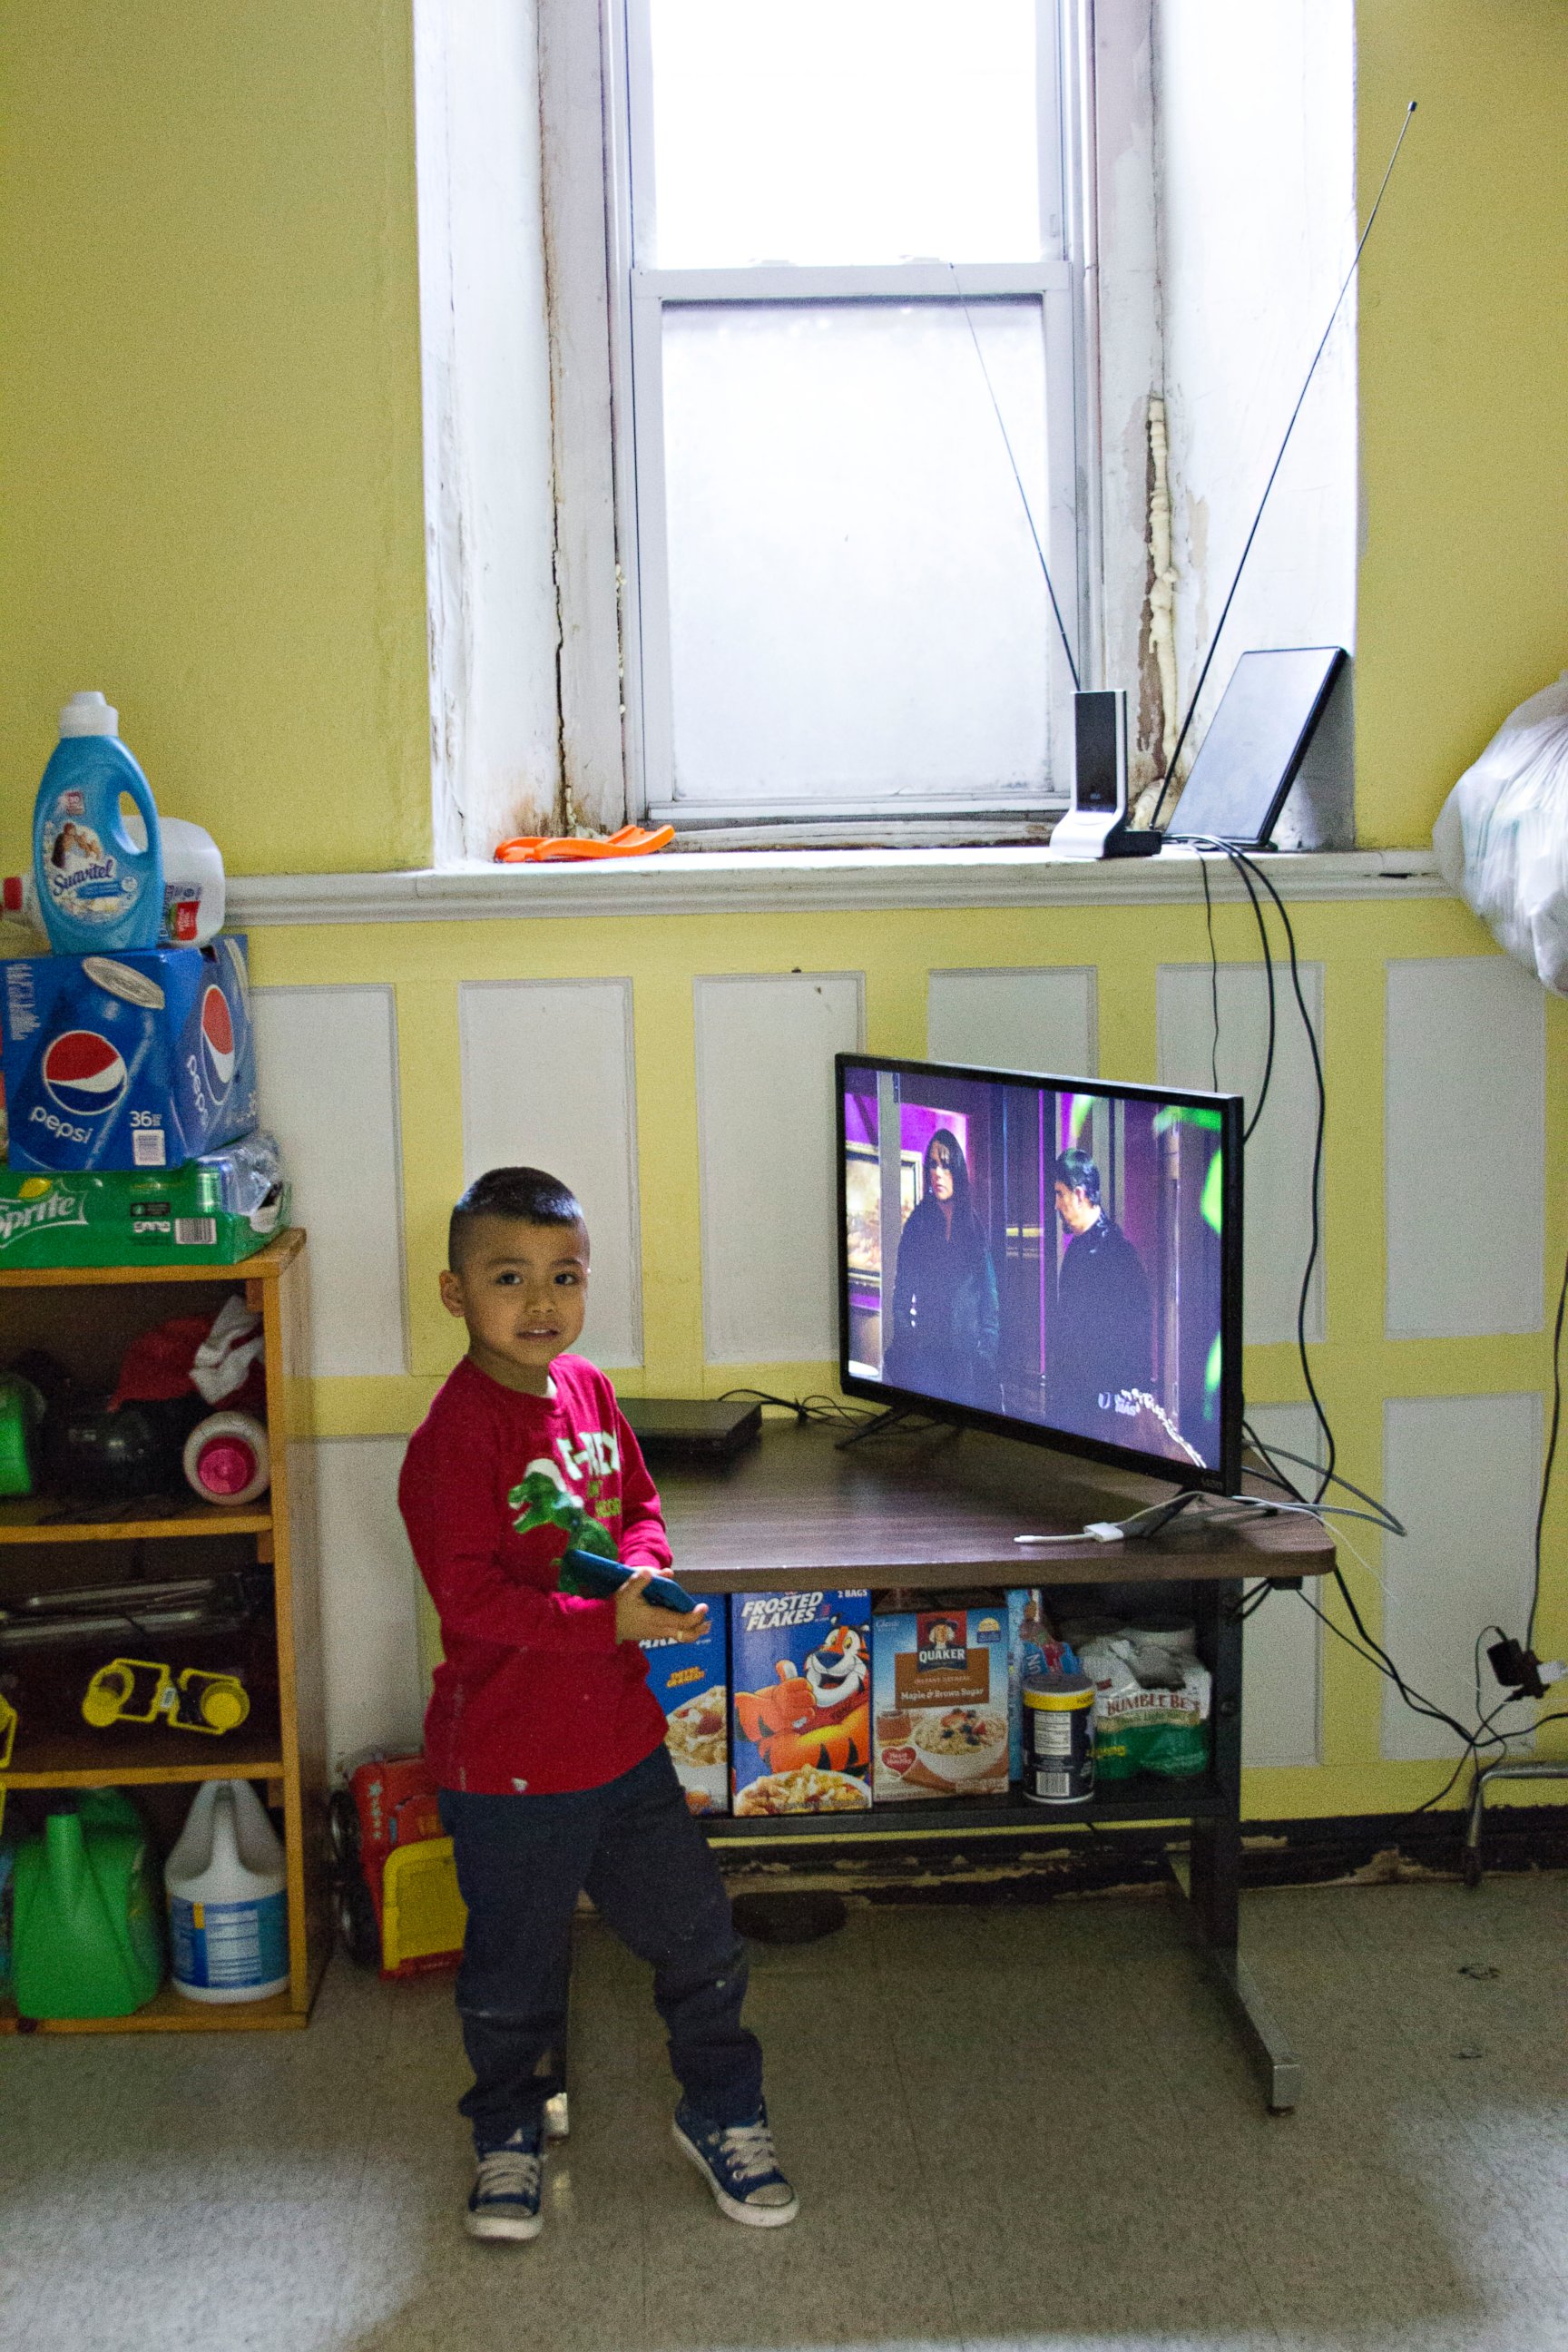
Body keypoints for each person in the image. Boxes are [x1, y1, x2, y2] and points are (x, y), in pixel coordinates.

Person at [398, 1165, 797, 2244]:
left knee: (700, 1943)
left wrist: (646, 1569)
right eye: (509, 1277)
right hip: (508, 1768)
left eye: (564, 1277)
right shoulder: (454, 1438)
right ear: (454, 1293)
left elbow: (639, 1508)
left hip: (621, 1750)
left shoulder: (589, 1395)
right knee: (514, 1975)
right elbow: (472, 1598)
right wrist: (603, 1625)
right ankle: (508, 2134)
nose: (541, 1304)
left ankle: (723, 2113)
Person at [885, 1128, 1001, 1413]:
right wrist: (907, 1341)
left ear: (957, 1171)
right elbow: (902, 1293)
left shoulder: (972, 1223)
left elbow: (990, 1296)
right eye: (933, 1165)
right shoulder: (918, 1223)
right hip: (928, 1354)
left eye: (945, 1165)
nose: (937, 1173)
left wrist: (985, 1352)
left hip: (967, 1358)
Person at [1047, 1147, 1152, 1440]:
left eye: (1060, 1194)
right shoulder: (1080, 1249)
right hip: (1079, 1404)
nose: (1056, 1205)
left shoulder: (1119, 1256)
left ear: (1079, 1194)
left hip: (1101, 1414)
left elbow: (1132, 1344)